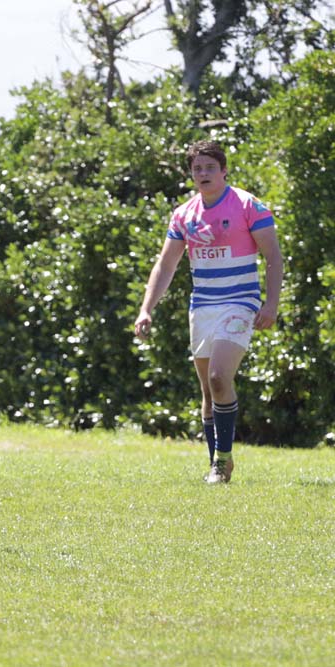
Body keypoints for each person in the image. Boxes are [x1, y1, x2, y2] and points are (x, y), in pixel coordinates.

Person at [134, 139, 283, 484]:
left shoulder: (249, 205)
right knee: (207, 392)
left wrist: (270, 304)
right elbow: (166, 265)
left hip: (240, 302)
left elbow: (273, 257)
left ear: (224, 170)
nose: (203, 174)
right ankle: (217, 463)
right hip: (202, 306)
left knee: (219, 378)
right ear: (191, 174)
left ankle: (222, 461)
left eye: (209, 167)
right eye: (197, 168)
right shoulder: (184, 214)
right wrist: (146, 309)